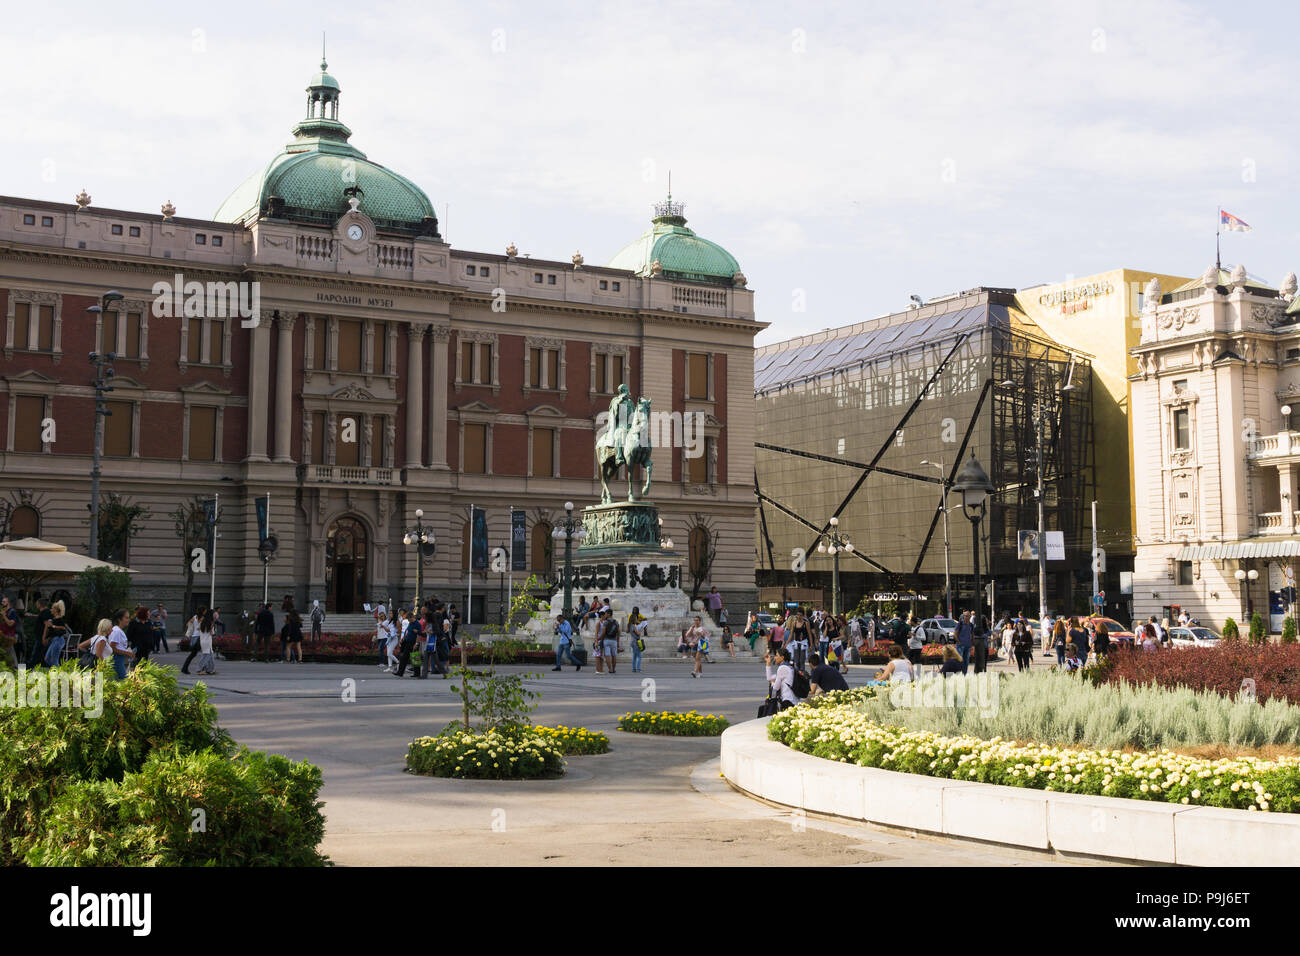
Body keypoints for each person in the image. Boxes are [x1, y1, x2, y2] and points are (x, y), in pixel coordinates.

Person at [106, 608, 135, 679]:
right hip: (117, 660)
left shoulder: (118, 630)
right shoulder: (117, 631)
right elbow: (112, 648)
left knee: (119, 682)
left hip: (119, 659)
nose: (128, 620)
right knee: (124, 681)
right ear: (119, 619)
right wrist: (127, 653)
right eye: (126, 618)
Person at [41, 599, 71, 667]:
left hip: (58, 640)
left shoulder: (60, 619)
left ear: (56, 610)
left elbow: (63, 628)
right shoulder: (53, 619)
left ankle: (58, 675)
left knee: (54, 660)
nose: (51, 609)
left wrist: (52, 626)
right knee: (47, 658)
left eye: (52, 608)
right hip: (54, 640)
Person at [181, 607, 205, 674]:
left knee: (193, 654)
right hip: (199, 637)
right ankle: (202, 669)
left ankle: (184, 668)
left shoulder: (194, 617)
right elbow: (202, 628)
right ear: (203, 611)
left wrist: (192, 628)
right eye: (205, 611)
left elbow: (187, 624)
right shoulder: (203, 618)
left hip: (194, 637)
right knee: (205, 653)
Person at [194, 608, 217, 676]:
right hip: (207, 641)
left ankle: (210, 669)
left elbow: (198, 628)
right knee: (206, 656)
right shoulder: (210, 623)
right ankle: (199, 669)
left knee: (210, 655)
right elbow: (212, 633)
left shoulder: (202, 621)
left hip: (203, 640)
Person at [626, 606, 647, 671]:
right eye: (636, 619)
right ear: (633, 619)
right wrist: (640, 629)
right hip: (635, 642)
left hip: (632, 641)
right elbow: (638, 634)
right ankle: (638, 668)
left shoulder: (630, 626)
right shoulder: (633, 626)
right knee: (639, 656)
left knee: (634, 656)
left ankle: (634, 668)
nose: (637, 619)